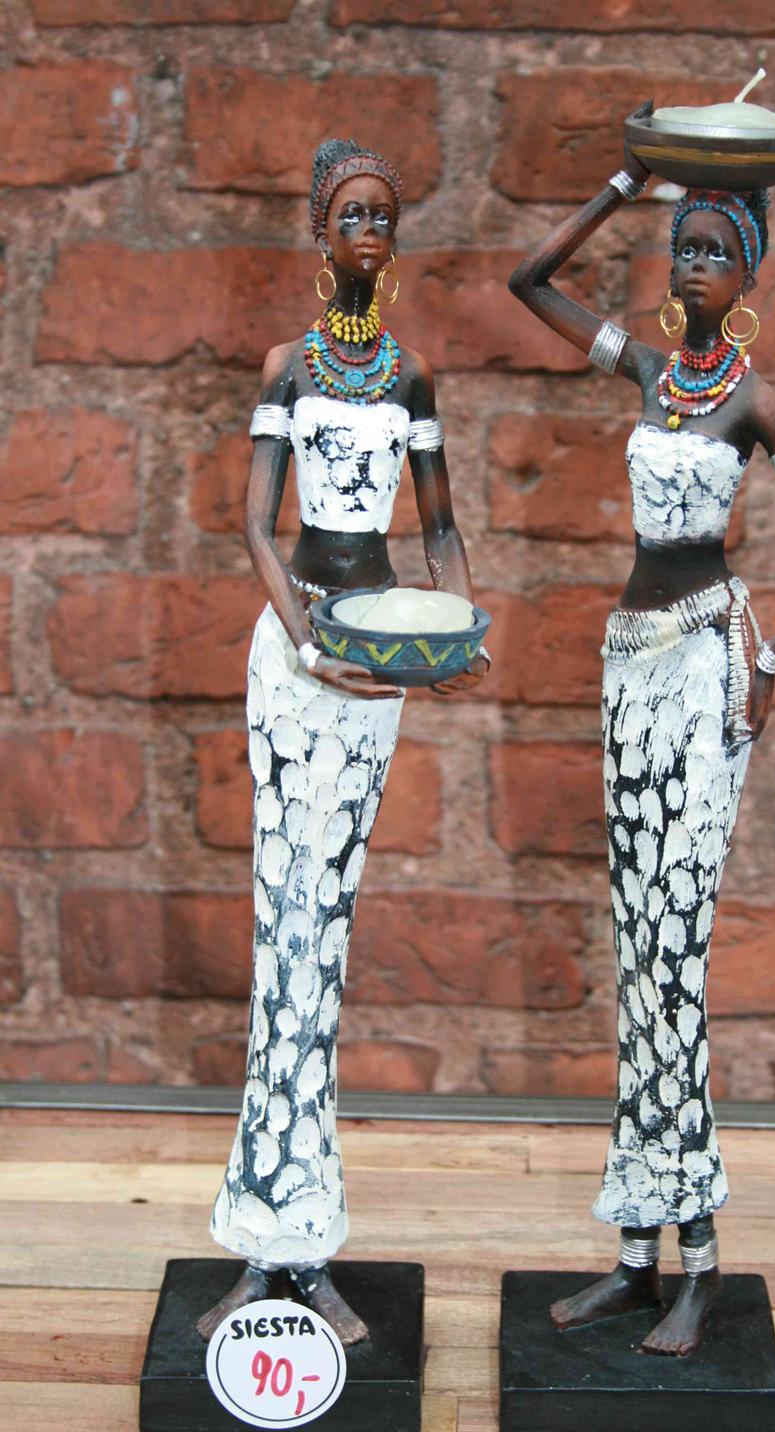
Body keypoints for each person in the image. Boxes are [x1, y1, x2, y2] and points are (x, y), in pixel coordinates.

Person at [509, 107, 775, 1356]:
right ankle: (633, 1256)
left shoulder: (753, 405)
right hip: (628, 667)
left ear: (749, 276)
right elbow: (530, 282)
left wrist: (770, 660)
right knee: (635, 958)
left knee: (677, 965)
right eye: (686, 249)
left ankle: (700, 1260)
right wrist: (628, 177)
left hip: (709, 668)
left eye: (717, 250)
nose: (696, 266)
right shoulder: (652, 376)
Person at [197, 139, 487, 1345]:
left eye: (384, 217)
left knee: (328, 929)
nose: (369, 233)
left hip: (378, 658)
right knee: (285, 930)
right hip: (297, 658)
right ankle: (274, 1240)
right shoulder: (291, 367)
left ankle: (297, 1239)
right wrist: (303, 634)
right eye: (352, 216)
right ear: (320, 232)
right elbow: (255, 527)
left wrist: (461, 630)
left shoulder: (409, 379)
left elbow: (442, 531)